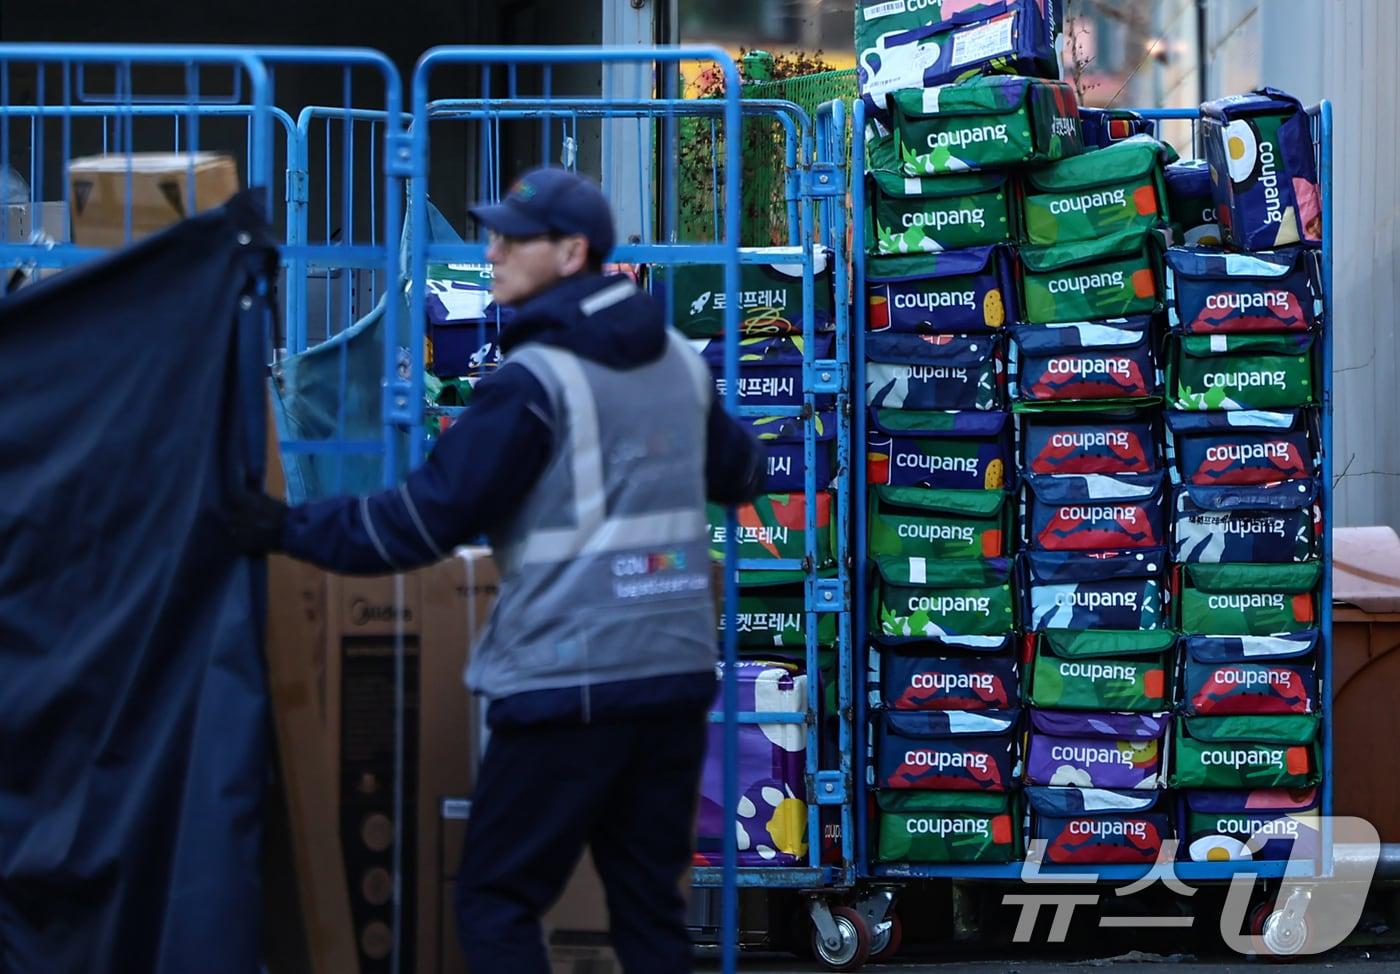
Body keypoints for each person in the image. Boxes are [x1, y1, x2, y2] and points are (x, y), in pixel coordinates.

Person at [230, 166, 764, 973]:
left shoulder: (532, 384)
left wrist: (278, 526)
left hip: (568, 679)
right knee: (651, 912)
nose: (491, 251)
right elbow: (742, 474)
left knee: (497, 898)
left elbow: (417, 524)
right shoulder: (680, 368)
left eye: (514, 238)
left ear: (572, 251)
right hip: (674, 674)